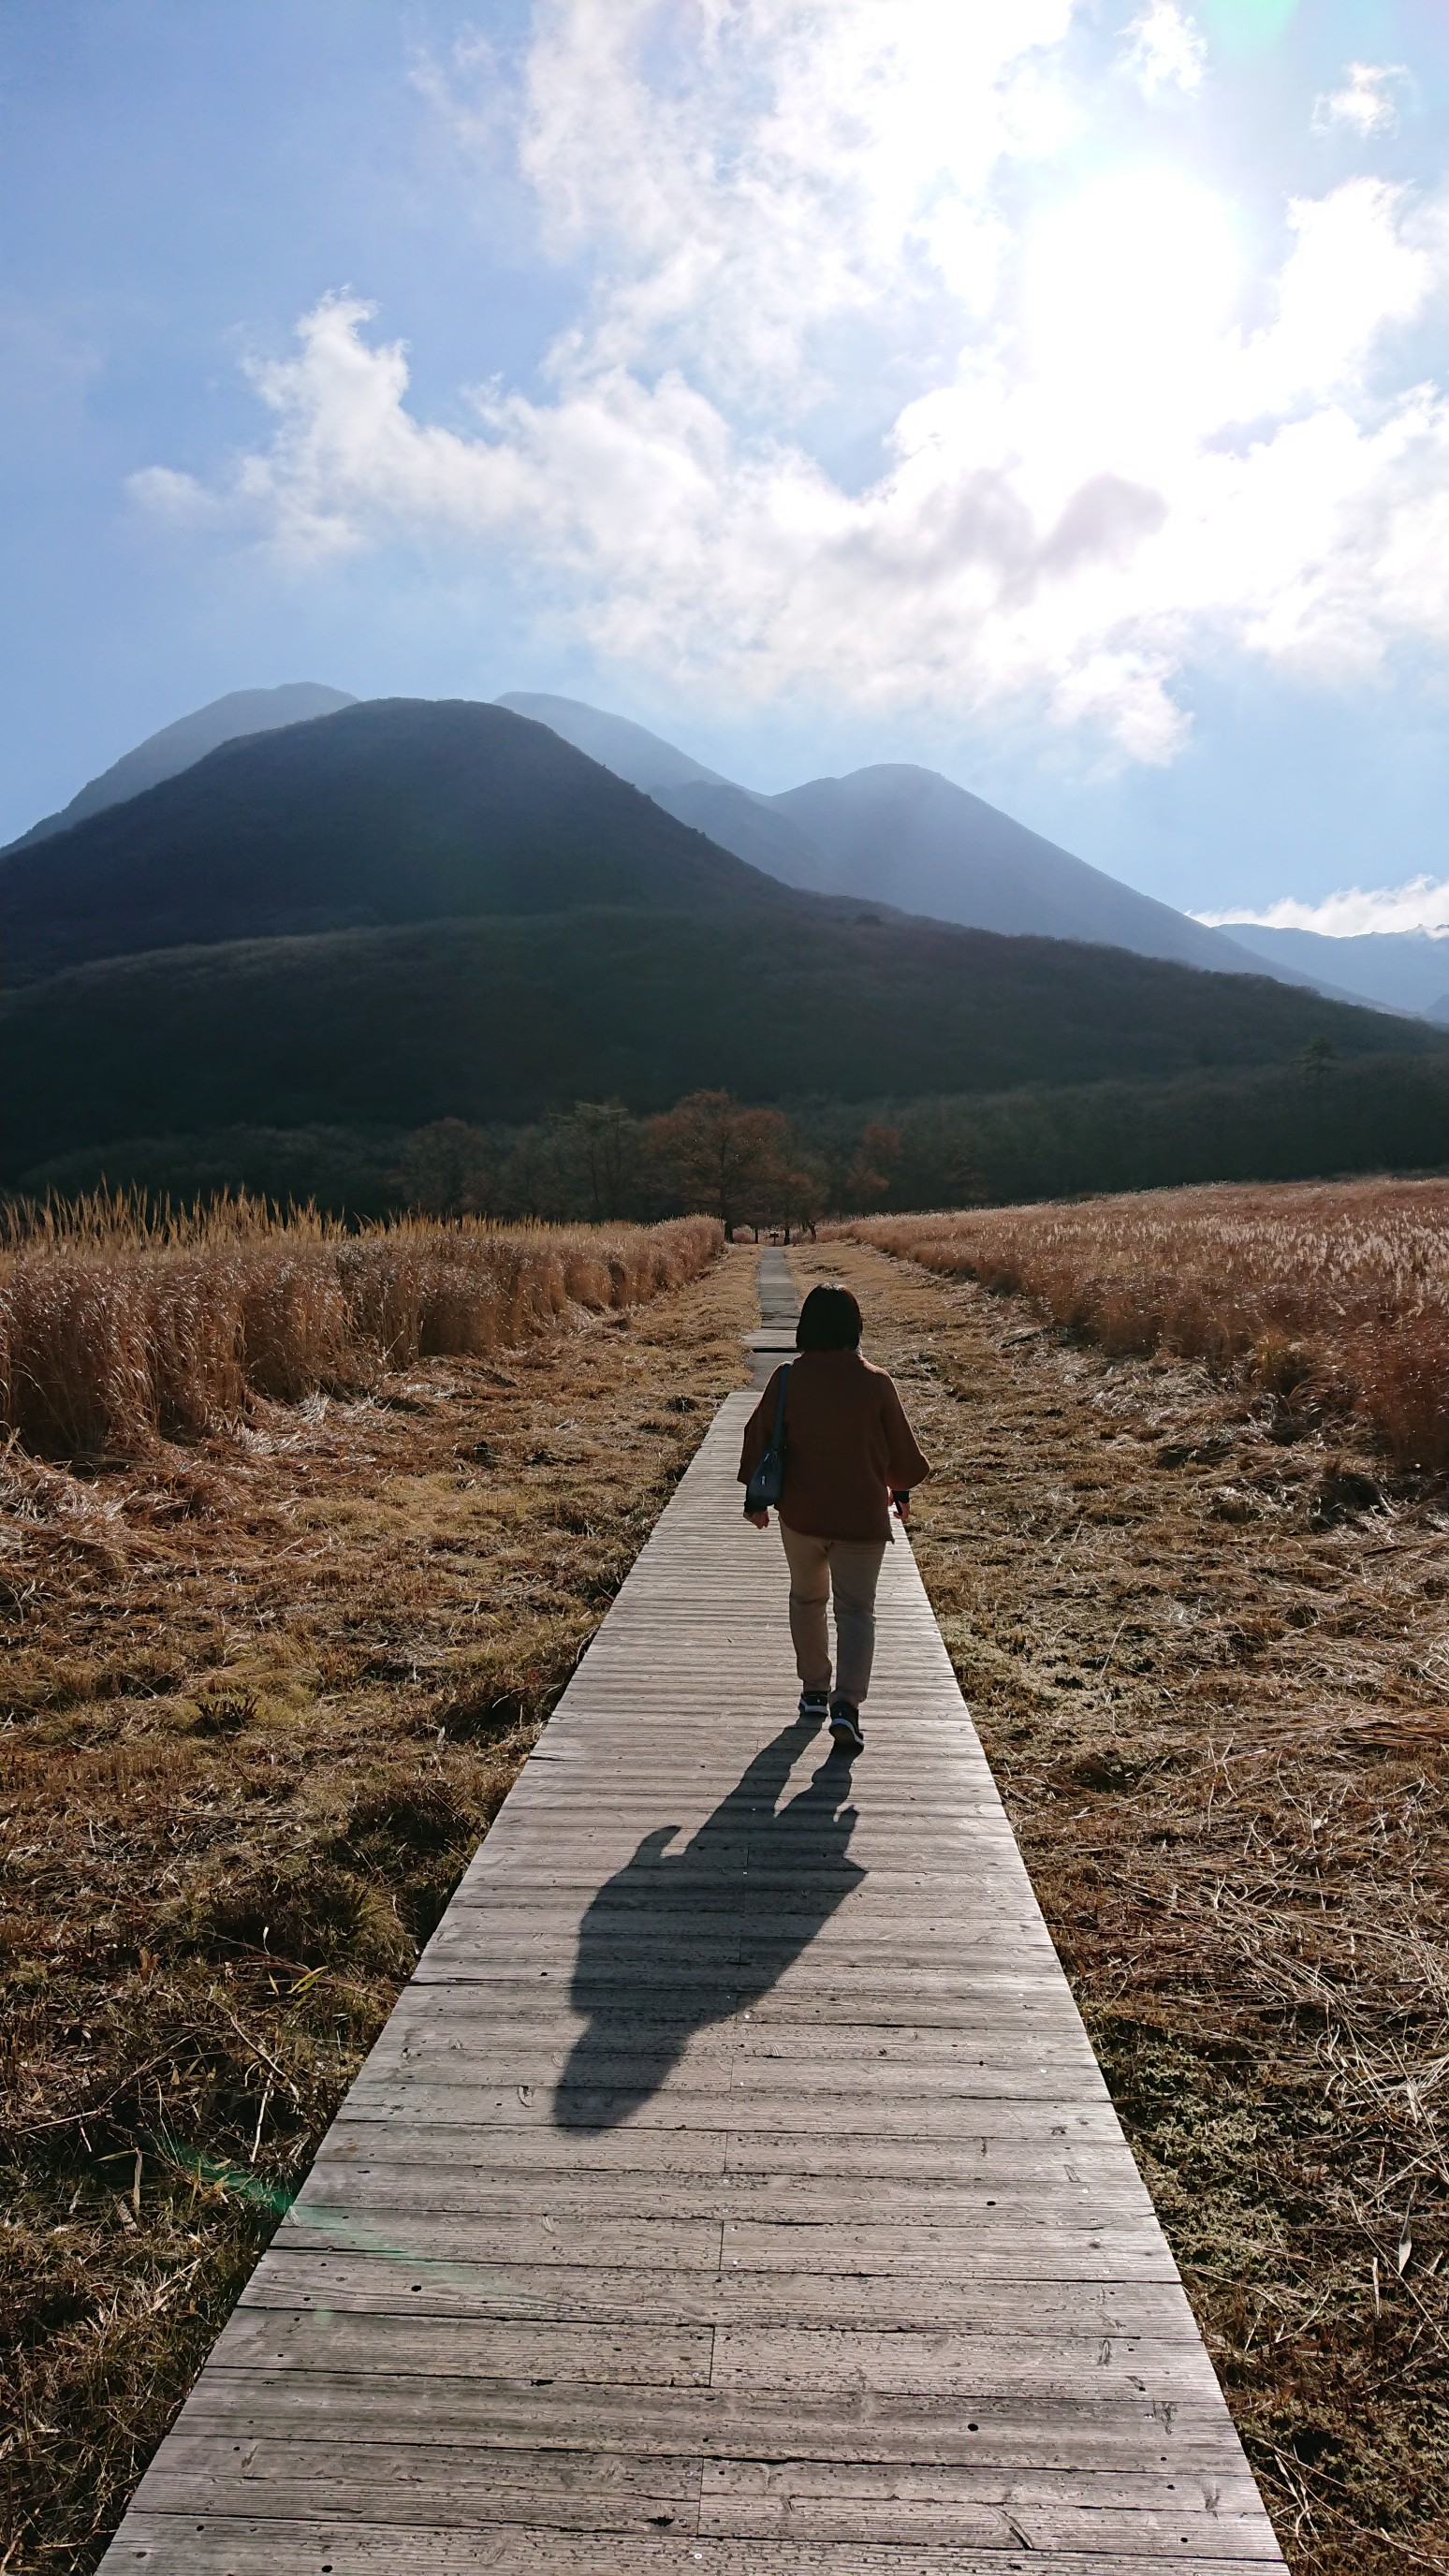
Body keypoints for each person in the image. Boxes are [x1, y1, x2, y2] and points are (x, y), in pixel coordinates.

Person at [739, 1282, 930, 1757]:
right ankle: (847, 1706)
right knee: (856, 1611)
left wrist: (755, 1500)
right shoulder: (876, 1382)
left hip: (802, 1516)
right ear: (855, 1328)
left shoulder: (787, 1378)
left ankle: (813, 1692)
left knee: (807, 1599)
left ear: (806, 1327)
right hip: (861, 1518)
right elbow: (900, 1454)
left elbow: (758, 1434)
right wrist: (901, 1490)